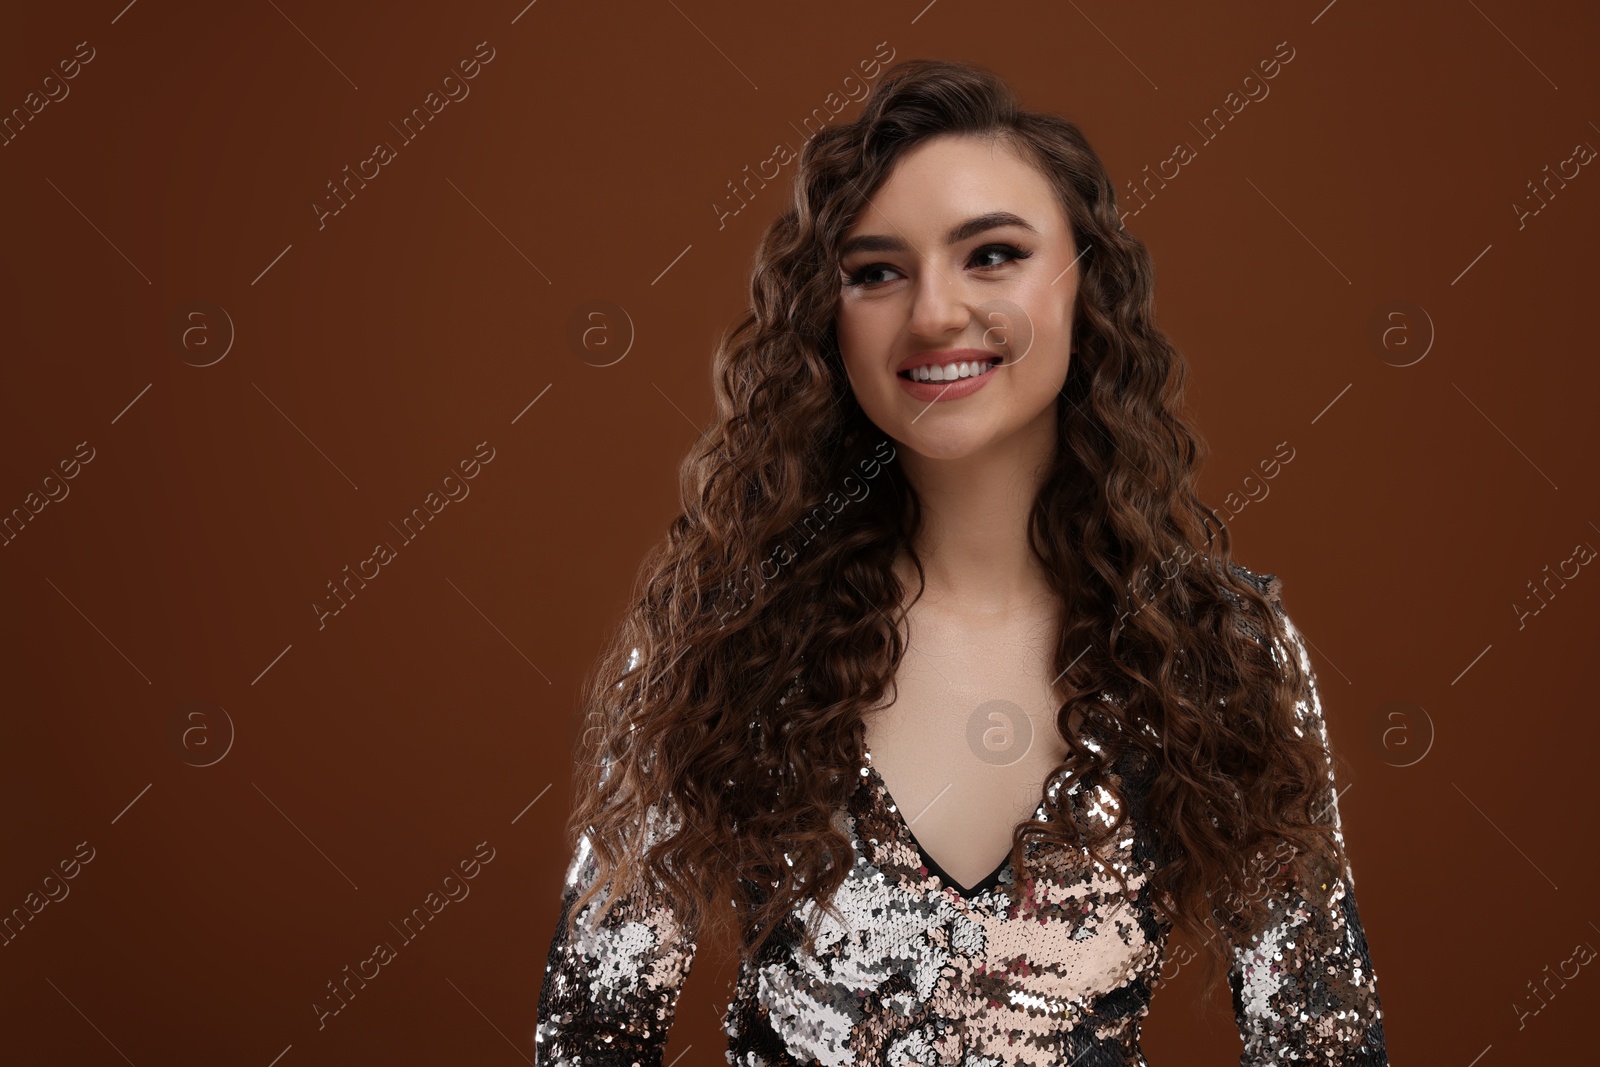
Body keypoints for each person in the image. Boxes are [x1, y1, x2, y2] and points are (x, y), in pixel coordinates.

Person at [534, 58, 1388, 1066]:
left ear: (1086, 285)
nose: (934, 313)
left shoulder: (1225, 650)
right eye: (876, 270)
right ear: (828, 318)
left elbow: (1322, 1045)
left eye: (991, 254)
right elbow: (591, 1040)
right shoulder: (715, 639)